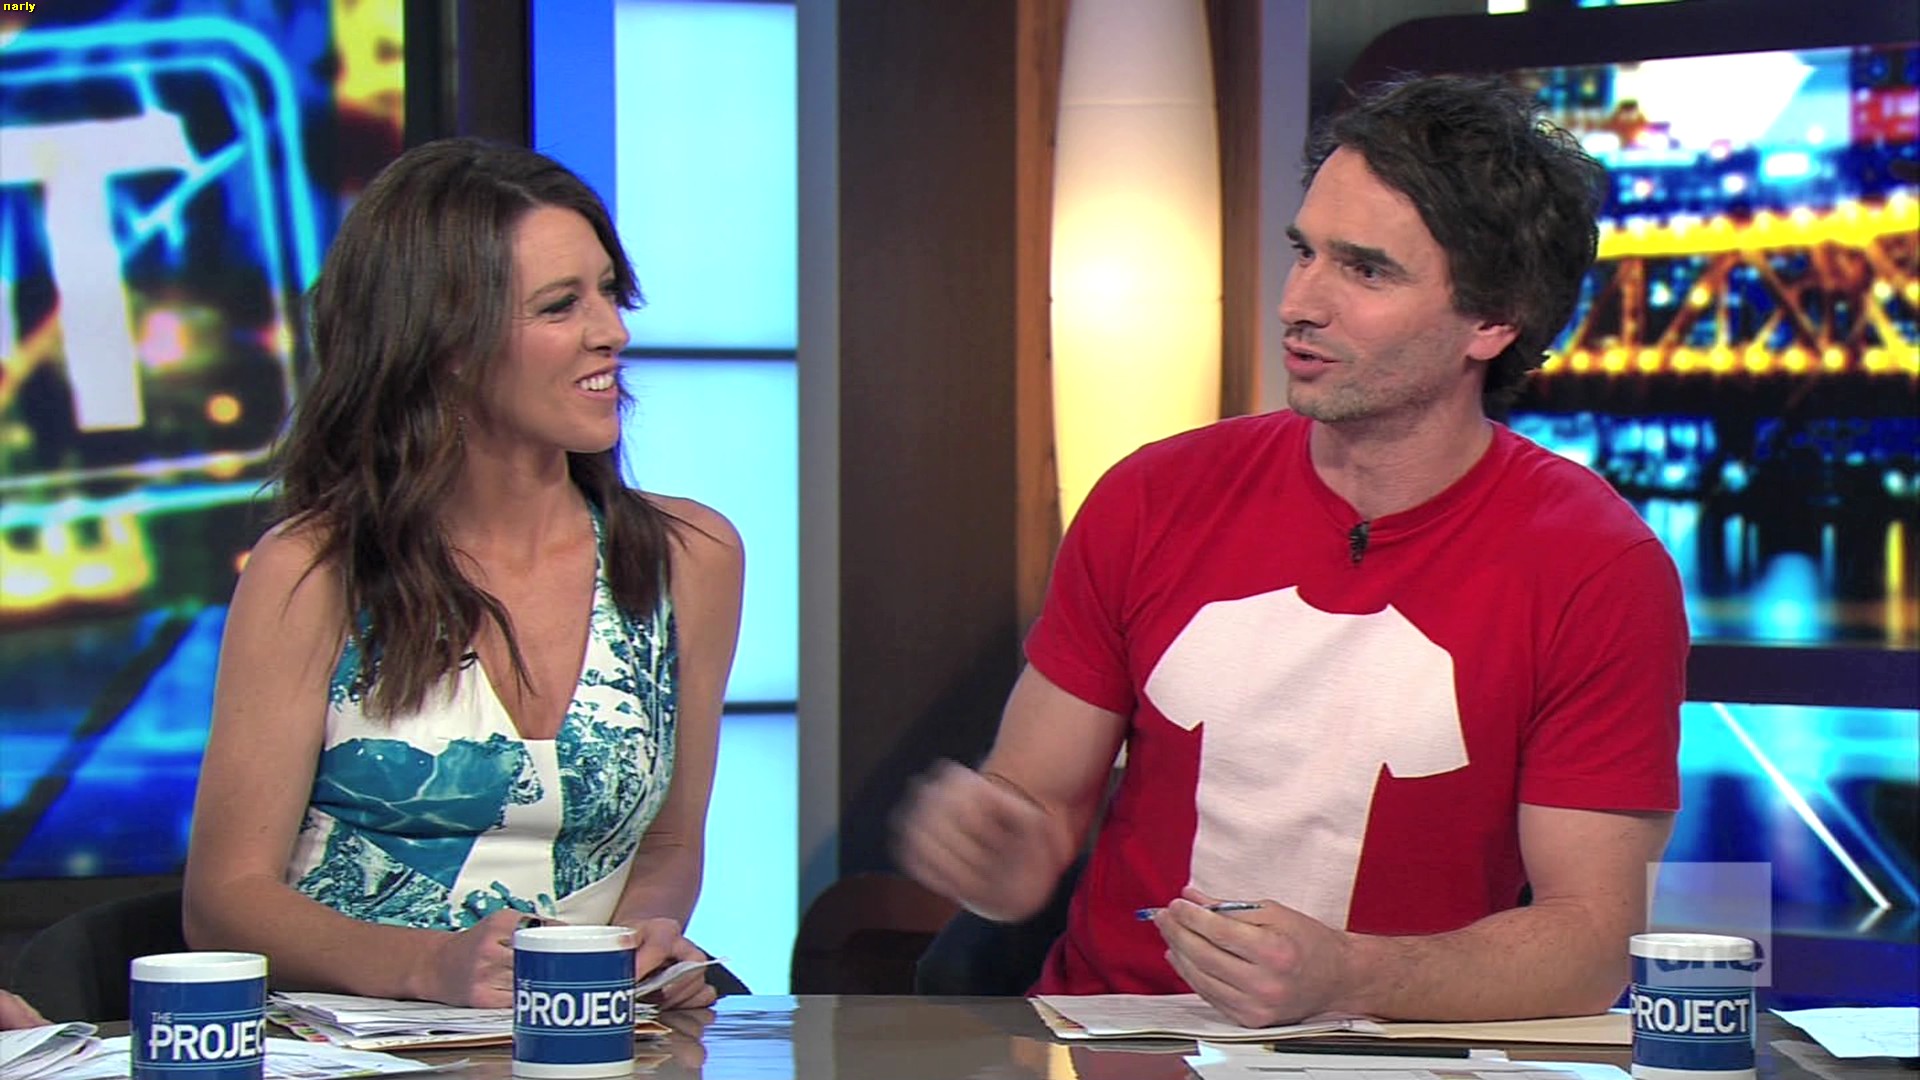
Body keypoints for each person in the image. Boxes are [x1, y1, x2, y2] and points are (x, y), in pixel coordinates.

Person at [895, 74, 1687, 1026]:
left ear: (1493, 320)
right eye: (1304, 252)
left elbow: (1591, 942)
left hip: (1401, 1051)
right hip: (1119, 1035)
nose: (1300, 302)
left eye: (1366, 271)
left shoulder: (1595, 566)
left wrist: (1349, 976)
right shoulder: (1153, 497)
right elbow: (1038, 807)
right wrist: (999, 847)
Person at [183, 139, 744, 1010]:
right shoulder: (315, 572)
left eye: (609, 292)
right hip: (359, 1048)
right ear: (445, 341)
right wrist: (428, 968)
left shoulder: (690, 557)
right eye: (561, 305)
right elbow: (225, 901)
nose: (612, 331)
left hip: (586, 1038)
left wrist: (642, 944)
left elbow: (669, 844)